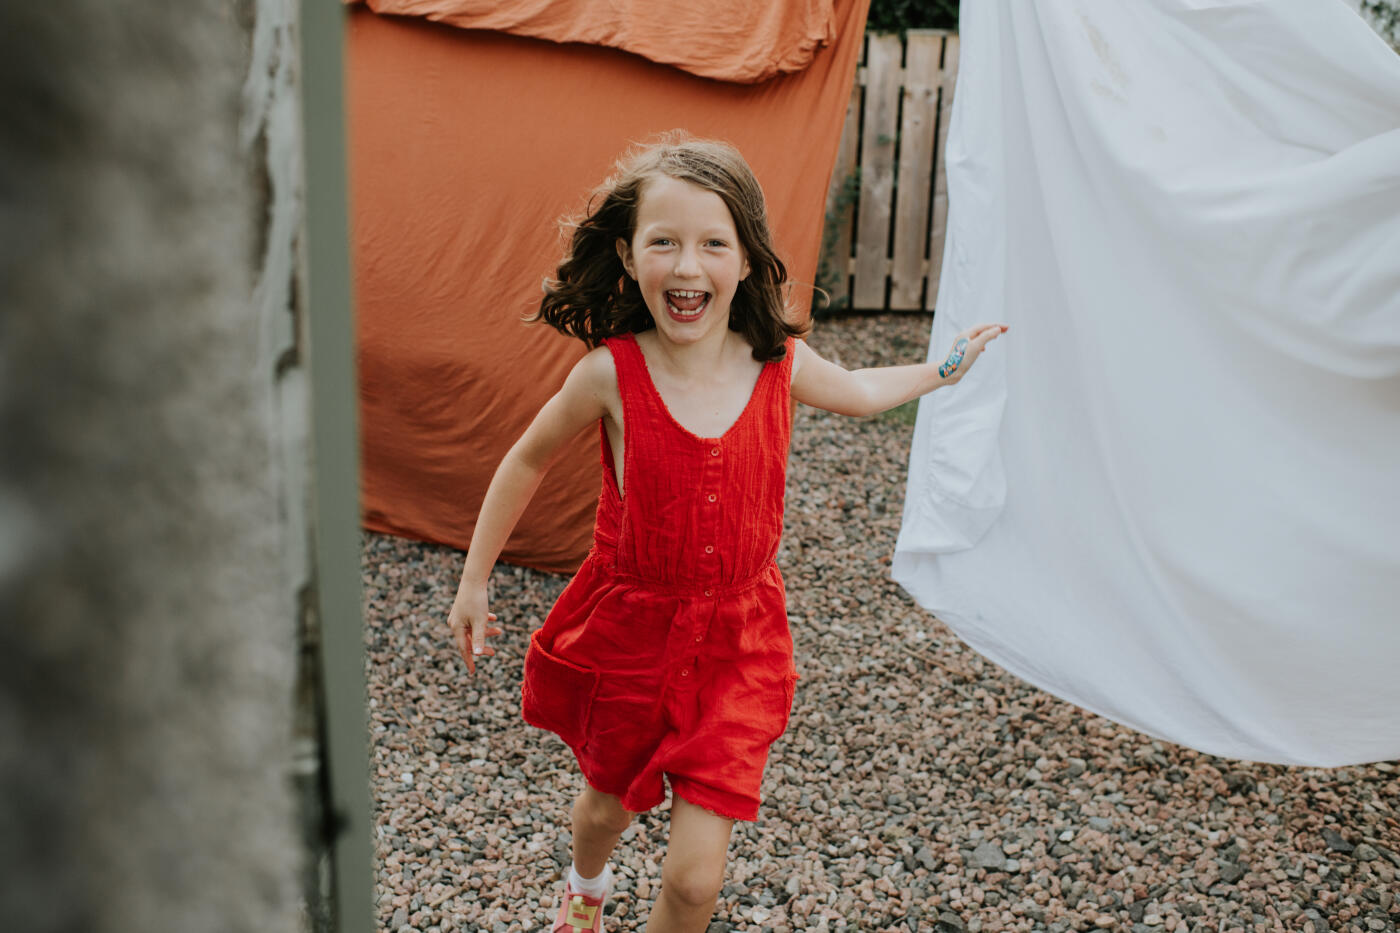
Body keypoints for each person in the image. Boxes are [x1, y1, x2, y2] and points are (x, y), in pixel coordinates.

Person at [447, 135, 1006, 933]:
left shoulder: (778, 362)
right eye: (663, 242)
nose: (686, 267)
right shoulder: (611, 373)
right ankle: (585, 887)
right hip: (631, 635)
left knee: (695, 880)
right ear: (627, 252)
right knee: (606, 808)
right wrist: (474, 582)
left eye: (713, 244)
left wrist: (941, 371)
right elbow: (525, 458)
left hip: (739, 645)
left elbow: (860, 389)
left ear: (745, 262)